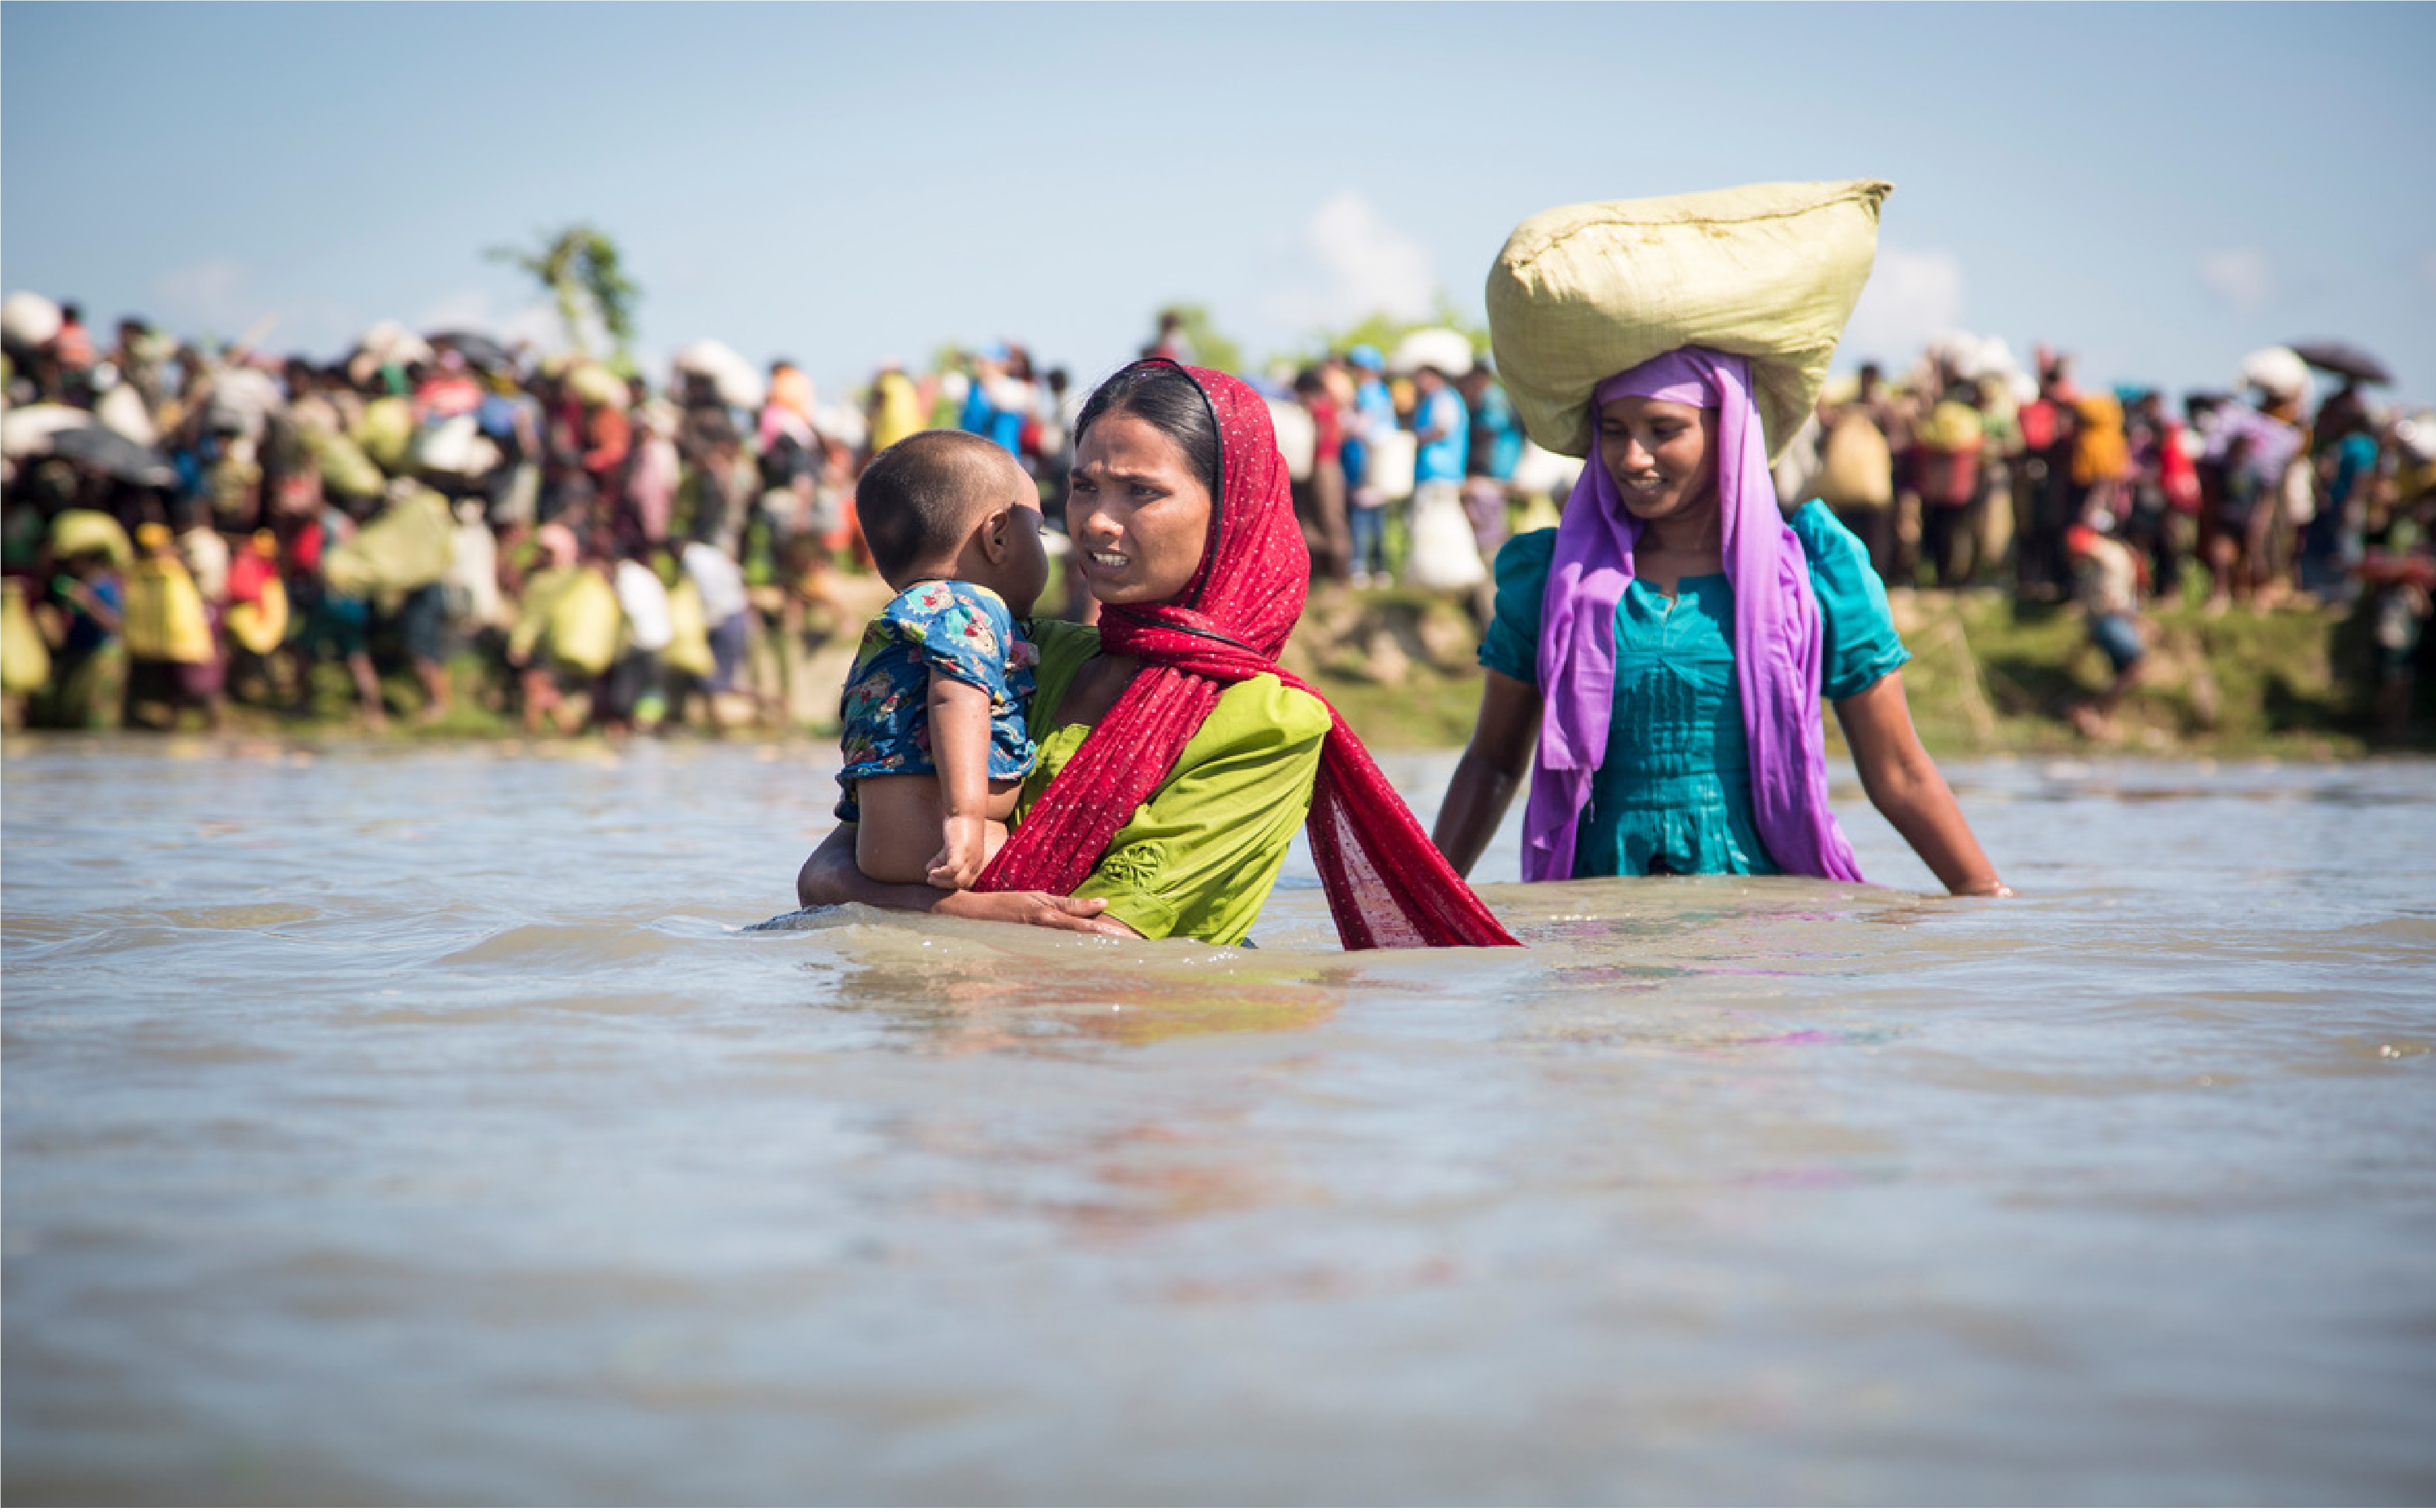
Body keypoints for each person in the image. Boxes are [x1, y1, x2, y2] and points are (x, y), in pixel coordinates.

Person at [796, 358, 1516, 949]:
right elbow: (832, 864)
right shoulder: (1021, 652)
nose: (1098, 522)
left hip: (1146, 1072)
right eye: (1083, 487)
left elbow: (1107, 943)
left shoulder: (1272, 720)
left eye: (1142, 492)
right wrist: (933, 902)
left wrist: (888, 899)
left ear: (1230, 509)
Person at [1432, 348, 2009, 896]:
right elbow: (1493, 763)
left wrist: (1983, 892)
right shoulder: (1558, 581)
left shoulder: (1813, 579)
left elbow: (1899, 773)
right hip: (1597, 926)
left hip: (1759, 932)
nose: (1633, 457)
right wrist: (1421, 897)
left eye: (1663, 430)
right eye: (1614, 431)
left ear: (1728, 430)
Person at [834, 430, 1051, 888]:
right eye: (1041, 532)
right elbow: (955, 699)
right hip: (938, 837)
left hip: (878, 846)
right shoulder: (971, 607)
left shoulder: (906, 615)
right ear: (997, 537)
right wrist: (965, 817)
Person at [2064, 520, 2147, 740]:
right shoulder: (2107, 558)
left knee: (2125, 670)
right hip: (2109, 621)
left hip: (2104, 621)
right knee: (2133, 668)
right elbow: (2114, 601)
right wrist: (2138, 620)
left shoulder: (2104, 558)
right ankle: (2095, 711)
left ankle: (2097, 713)